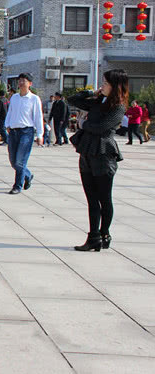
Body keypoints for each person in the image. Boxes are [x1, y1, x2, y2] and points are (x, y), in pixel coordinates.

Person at [68, 69, 128, 251]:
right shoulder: (98, 101)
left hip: (103, 155)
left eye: (106, 83)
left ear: (116, 86)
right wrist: (91, 92)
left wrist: (83, 124)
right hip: (87, 152)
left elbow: (101, 127)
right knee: (91, 198)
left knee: (104, 198)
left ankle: (104, 233)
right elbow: (73, 100)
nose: (102, 85)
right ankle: (93, 236)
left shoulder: (118, 107)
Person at [4, 73, 43, 194]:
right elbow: (10, 112)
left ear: (30, 84)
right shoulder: (14, 97)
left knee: (20, 161)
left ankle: (17, 186)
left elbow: (38, 117)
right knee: (13, 161)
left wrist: (40, 135)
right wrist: (7, 124)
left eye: (24, 81)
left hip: (26, 132)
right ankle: (28, 175)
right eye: (19, 81)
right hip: (14, 131)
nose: (21, 83)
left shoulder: (34, 99)